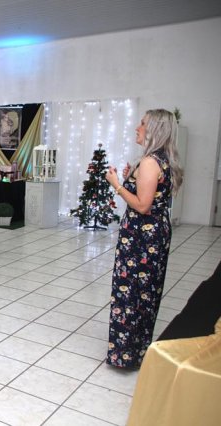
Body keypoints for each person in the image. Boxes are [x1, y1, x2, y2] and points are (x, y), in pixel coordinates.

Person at [105, 108, 183, 369]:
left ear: (154, 130)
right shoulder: (162, 159)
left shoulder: (150, 162)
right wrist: (132, 179)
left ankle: (125, 354)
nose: (137, 128)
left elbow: (142, 205)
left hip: (142, 238)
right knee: (145, 293)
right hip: (154, 234)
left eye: (142, 124)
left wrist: (117, 184)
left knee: (131, 293)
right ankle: (136, 350)